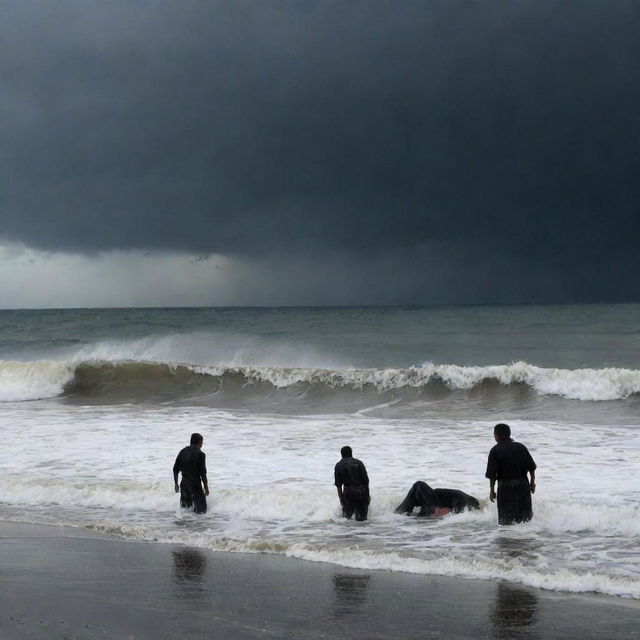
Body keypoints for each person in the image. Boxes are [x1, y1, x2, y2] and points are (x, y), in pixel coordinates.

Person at [485, 423, 536, 525]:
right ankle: (526, 538)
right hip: (522, 485)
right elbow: (531, 467)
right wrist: (532, 482)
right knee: (525, 520)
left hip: (505, 487)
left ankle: (508, 538)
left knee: (505, 521)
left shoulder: (495, 451)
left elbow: (492, 475)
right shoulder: (521, 447)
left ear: (497, 436)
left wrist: (492, 491)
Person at [394, 481, 480, 516]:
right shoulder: (462, 498)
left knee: (418, 485)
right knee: (418, 486)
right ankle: (397, 514)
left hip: (432, 503)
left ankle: (397, 514)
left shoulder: (462, 499)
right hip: (433, 502)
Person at [173, 432, 209, 514]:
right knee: (201, 511)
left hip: (184, 485)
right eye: (202, 442)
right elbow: (203, 474)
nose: (202, 445)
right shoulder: (201, 454)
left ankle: (184, 525)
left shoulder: (182, 452)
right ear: (199, 442)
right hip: (195, 486)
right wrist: (206, 488)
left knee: (185, 511)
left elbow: (175, 469)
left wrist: (176, 484)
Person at [334, 446, 370, 521]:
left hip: (348, 493)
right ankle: (364, 532)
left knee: (347, 520)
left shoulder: (338, 465)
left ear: (341, 454)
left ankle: (350, 532)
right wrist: (368, 495)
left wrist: (341, 500)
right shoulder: (359, 462)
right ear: (351, 453)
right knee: (362, 520)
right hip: (361, 492)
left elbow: (338, 485)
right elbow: (366, 480)